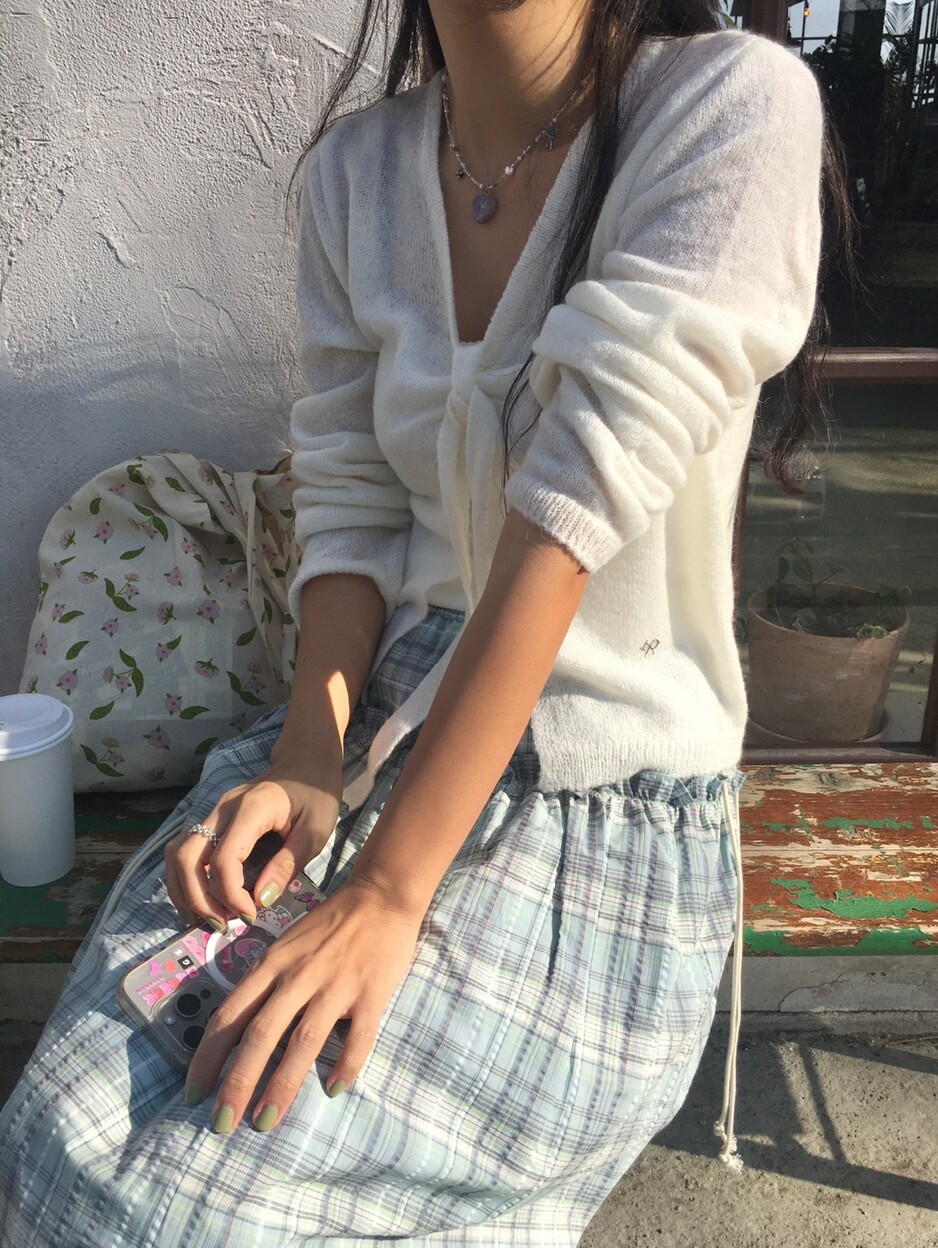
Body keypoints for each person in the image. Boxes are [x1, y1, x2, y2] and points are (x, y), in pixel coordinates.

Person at [0, 0, 845, 1243]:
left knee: (192, 1215)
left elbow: (569, 515)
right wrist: (305, 759)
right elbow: (349, 498)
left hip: (596, 793)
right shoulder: (357, 174)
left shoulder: (728, 105)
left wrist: (390, 894)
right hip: (372, 728)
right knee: (60, 1143)